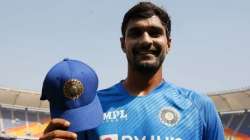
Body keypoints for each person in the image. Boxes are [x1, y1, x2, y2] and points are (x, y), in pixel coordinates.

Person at [39, 1, 224, 140]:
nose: (145, 41)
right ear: (123, 44)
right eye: (135, 33)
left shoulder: (199, 107)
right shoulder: (93, 108)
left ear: (168, 43)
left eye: (155, 33)